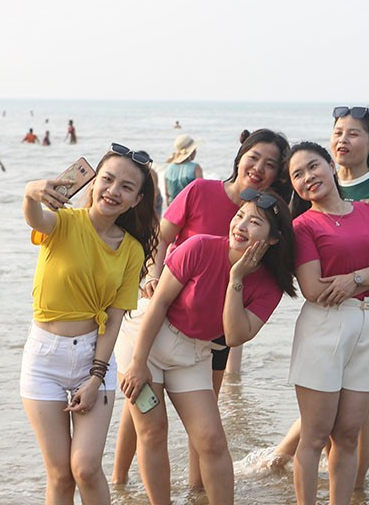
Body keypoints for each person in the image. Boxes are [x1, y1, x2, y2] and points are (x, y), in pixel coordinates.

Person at [112, 128, 291, 488]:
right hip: (157, 321)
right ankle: (119, 481)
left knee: (207, 433)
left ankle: (197, 490)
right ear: (240, 156)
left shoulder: (269, 227)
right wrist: (152, 274)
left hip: (204, 339)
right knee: (148, 422)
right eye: (253, 157)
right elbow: (161, 239)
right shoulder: (202, 194)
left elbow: (238, 332)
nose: (259, 168)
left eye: (270, 164)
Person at [272, 108, 369, 489]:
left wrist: (357, 279)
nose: (343, 139)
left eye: (353, 133)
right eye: (338, 132)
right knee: (319, 428)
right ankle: (288, 463)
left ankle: (355, 487)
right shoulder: (304, 221)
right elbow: (315, 288)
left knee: (354, 419)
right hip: (329, 322)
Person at [20, 143, 158, 505]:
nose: (113, 191)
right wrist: (31, 191)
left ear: (136, 200)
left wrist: (96, 378)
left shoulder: (132, 250)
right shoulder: (63, 222)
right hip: (44, 359)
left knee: (85, 467)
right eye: (107, 180)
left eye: (126, 187)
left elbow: (115, 318)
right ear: (93, 183)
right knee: (59, 473)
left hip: (93, 358)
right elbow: (36, 218)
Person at [164, 134, 204, 205]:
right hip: (189, 206)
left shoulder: (168, 168)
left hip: (173, 206)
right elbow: (201, 191)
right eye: (194, 149)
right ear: (191, 152)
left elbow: (167, 194)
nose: (195, 151)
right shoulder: (196, 168)